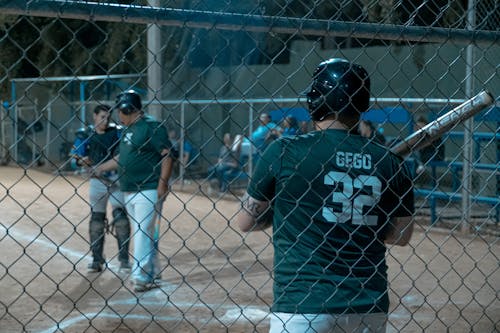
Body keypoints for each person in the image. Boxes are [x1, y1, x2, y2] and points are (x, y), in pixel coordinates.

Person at [235, 58, 415, 333]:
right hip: (368, 306)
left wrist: (282, 210)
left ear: (315, 101)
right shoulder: (389, 161)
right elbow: (401, 236)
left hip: (303, 304)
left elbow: (246, 221)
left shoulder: (284, 151)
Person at [94, 90, 175, 292]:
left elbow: (168, 155)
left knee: (141, 232)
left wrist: (162, 184)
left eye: (120, 111)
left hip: (148, 187)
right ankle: (152, 273)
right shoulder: (129, 129)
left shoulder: (151, 127)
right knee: (144, 232)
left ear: (128, 109)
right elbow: (122, 158)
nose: (117, 116)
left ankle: (140, 277)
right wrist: (99, 168)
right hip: (129, 189)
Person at [70, 104, 131, 273]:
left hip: (116, 179)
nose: (106, 120)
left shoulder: (117, 132)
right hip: (98, 182)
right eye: (102, 117)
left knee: (121, 219)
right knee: (97, 220)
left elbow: (125, 152)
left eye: (108, 117)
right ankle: (97, 259)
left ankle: (124, 259)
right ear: (94, 116)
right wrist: (83, 160)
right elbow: (74, 158)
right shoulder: (86, 134)